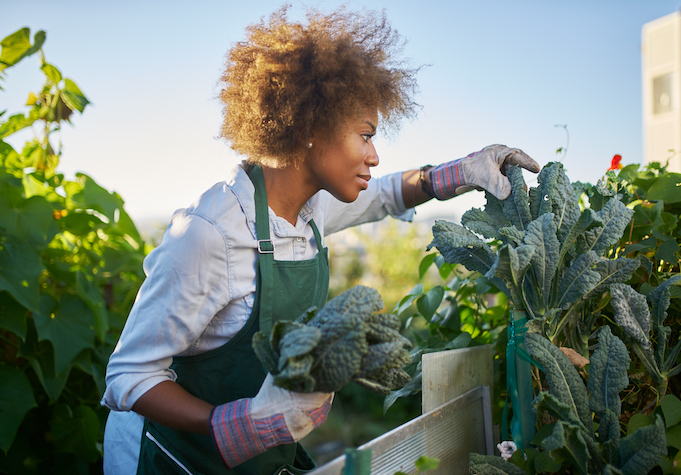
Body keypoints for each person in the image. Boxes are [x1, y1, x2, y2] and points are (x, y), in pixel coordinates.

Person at [101, 6, 539, 475]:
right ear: (311, 125)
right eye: (366, 135)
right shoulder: (211, 235)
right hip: (167, 457)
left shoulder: (310, 209)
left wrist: (461, 170)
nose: (374, 153)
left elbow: (389, 191)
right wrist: (236, 425)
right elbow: (128, 375)